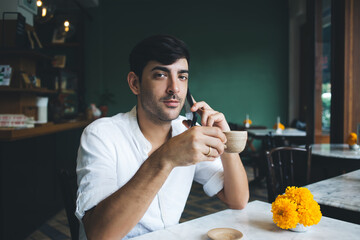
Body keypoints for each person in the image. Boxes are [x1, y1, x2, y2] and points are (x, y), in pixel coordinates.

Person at [75, 34, 249, 240]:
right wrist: (166, 157)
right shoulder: (101, 135)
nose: (174, 88)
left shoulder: (188, 134)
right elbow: (99, 235)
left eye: (182, 77)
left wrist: (223, 137)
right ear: (135, 83)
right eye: (160, 75)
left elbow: (237, 200)